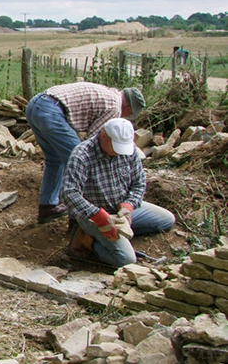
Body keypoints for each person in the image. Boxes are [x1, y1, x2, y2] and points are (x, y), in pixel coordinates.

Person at [25, 82, 146, 224]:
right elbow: (90, 146)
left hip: (36, 105)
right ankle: (77, 221)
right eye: (129, 115)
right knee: (78, 162)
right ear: (127, 108)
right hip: (52, 111)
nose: (126, 118)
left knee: (54, 159)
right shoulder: (114, 108)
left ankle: (47, 207)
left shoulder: (109, 94)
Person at [60, 118, 175, 267]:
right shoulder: (82, 155)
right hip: (94, 216)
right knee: (126, 260)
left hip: (121, 211)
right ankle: (87, 239)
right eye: (116, 146)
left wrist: (128, 206)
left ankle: (118, 233)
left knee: (167, 220)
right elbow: (69, 193)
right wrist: (99, 217)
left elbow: (139, 182)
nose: (119, 152)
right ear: (104, 136)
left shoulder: (129, 149)